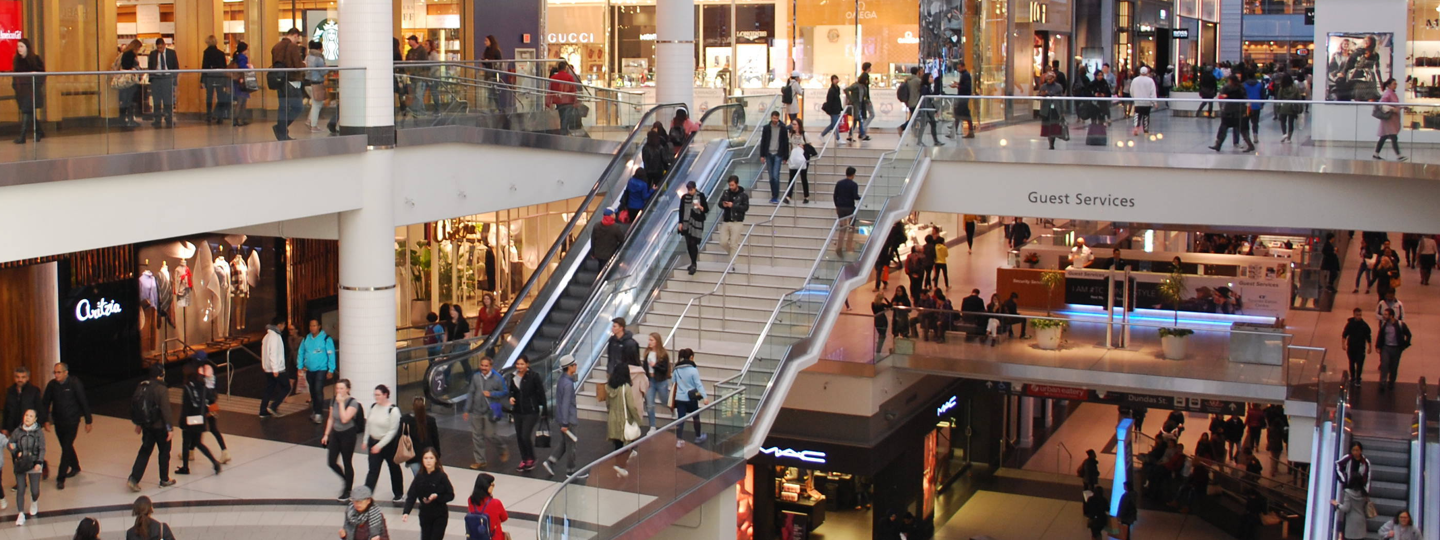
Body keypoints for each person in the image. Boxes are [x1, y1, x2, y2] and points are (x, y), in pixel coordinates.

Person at [42, 363, 90, 490]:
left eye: (59, 372)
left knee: (66, 448)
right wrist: (45, 420)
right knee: (65, 446)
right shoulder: (52, 385)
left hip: (72, 421)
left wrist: (88, 420)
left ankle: (60, 478)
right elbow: (46, 402)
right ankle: (75, 466)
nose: (56, 375)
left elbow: (83, 401)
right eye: (55, 372)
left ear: (66, 372)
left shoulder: (74, 383)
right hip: (58, 421)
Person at [127, 365, 175, 492]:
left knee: (144, 451)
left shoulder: (142, 386)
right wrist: (170, 428)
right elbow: (166, 410)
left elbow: (138, 406)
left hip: (146, 426)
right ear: (161, 374)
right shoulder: (161, 388)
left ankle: (134, 478)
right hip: (160, 427)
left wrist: (138, 423)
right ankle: (164, 479)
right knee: (164, 452)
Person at [174, 365, 221, 478]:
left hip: (189, 418)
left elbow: (186, 406)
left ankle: (185, 467)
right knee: (198, 442)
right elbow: (211, 398)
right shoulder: (202, 385)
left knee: (186, 442)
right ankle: (214, 461)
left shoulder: (187, 387)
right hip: (200, 418)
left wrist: (182, 422)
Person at [464, 357, 508, 470]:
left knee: (490, 435)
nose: (483, 368)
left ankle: (502, 448)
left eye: (486, 366)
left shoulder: (498, 378)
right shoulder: (475, 377)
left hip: (490, 411)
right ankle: (480, 461)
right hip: (476, 411)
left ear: (491, 366)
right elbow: (471, 393)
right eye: (482, 365)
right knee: (477, 436)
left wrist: (492, 394)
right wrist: (466, 410)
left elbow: (504, 392)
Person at [363, 385, 404, 503]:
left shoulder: (393, 410)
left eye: (378, 395)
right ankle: (366, 495)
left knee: (393, 467)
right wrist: (366, 440)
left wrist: (380, 445)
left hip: (388, 445)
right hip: (373, 442)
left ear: (385, 395)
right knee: (373, 470)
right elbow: (368, 425)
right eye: (375, 395)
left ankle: (398, 493)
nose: (376, 397)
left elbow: (392, 431)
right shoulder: (373, 407)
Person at [322, 379, 362, 500]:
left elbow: (345, 419)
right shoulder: (333, 400)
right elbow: (331, 418)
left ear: (348, 389)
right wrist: (326, 434)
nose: (339, 391)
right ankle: (346, 479)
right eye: (337, 388)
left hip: (348, 434)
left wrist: (341, 404)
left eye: (341, 388)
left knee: (347, 461)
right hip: (336, 433)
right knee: (331, 461)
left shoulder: (353, 403)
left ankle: (348, 489)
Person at [402, 448, 454, 540]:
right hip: (425, 514)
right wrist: (406, 511)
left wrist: (437, 496)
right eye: (425, 458)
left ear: (436, 460)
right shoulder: (419, 476)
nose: (428, 461)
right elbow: (412, 495)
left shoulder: (441, 476)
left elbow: (450, 494)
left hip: (439, 515)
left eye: (431, 458)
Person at [604, 350, 642, 477]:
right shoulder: (626, 387)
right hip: (623, 420)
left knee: (618, 444)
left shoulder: (609, 386)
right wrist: (638, 419)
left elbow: (608, 403)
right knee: (626, 443)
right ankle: (620, 466)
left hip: (612, 418)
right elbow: (631, 406)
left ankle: (619, 468)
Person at [544, 355, 580, 477]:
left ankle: (551, 461)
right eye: (574, 365)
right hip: (568, 419)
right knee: (571, 446)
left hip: (562, 417)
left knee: (565, 443)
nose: (576, 366)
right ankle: (571, 471)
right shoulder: (568, 384)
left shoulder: (562, 380)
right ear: (569, 367)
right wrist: (565, 423)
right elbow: (566, 404)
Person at [506, 356, 544, 472]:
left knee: (525, 435)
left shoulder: (534, 376)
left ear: (527, 364)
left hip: (531, 411)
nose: (519, 366)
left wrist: (544, 410)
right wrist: (511, 397)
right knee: (519, 437)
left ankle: (531, 457)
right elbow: (511, 391)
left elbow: (541, 393)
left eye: (522, 364)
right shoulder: (513, 376)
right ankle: (524, 458)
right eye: (517, 364)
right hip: (518, 411)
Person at [296, 319, 337, 423]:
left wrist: (331, 369)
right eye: (311, 326)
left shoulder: (326, 339)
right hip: (310, 370)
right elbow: (301, 352)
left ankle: (319, 413)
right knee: (313, 391)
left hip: (321, 369)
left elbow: (331, 354)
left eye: (314, 325)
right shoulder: (306, 339)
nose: (312, 328)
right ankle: (315, 410)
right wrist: (300, 366)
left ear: (319, 326)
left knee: (318, 389)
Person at [272, 28, 306, 140]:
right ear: (295, 35)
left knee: (283, 107)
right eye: (298, 38)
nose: (297, 41)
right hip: (291, 80)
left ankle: (282, 134)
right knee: (298, 107)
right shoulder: (293, 47)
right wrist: (304, 65)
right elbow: (297, 65)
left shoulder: (276, 47)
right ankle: (280, 128)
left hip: (279, 80)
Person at [9, 409, 41, 523]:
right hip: (21, 463)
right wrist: (16, 451)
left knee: (35, 490)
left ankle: (34, 501)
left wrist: (39, 462)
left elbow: (42, 448)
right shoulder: (17, 431)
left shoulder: (38, 432)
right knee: (21, 489)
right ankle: (21, 513)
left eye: (31, 416)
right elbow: (10, 443)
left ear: (35, 419)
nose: (27, 418)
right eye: (26, 415)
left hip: (34, 463)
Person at [672, 348, 708, 447]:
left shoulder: (677, 369)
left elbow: (673, 380)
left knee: (680, 419)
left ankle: (679, 440)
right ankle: (698, 436)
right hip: (691, 398)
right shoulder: (693, 370)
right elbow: (698, 384)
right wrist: (704, 397)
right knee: (696, 417)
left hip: (680, 398)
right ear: (691, 357)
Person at [11, 38, 45, 144]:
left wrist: (35, 83)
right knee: (29, 111)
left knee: (27, 111)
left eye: (21, 46)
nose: (19, 49)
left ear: (27, 48)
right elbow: (15, 76)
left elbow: (41, 74)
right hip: (22, 91)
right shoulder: (17, 60)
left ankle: (22, 136)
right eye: (18, 47)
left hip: (31, 91)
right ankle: (39, 131)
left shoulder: (35, 59)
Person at [1210, 74, 1255, 152]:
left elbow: (1242, 98)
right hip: (1234, 111)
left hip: (1234, 111)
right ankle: (1218, 145)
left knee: (1235, 129)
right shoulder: (1238, 88)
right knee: (1225, 128)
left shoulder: (1235, 88)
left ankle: (1250, 145)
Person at [400, 397, 441, 476]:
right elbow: (435, 439)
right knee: (428, 477)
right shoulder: (431, 420)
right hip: (428, 454)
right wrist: (437, 454)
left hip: (412, 456)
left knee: (418, 478)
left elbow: (400, 437)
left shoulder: (405, 420)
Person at [259, 317, 289, 418]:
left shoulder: (267, 336)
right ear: (279, 325)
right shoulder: (275, 337)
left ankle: (263, 410)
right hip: (276, 368)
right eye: (284, 325)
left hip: (267, 368)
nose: (284, 327)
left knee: (269, 388)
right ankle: (274, 406)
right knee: (286, 387)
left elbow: (265, 353)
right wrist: (275, 369)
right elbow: (273, 353)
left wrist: (265, 366)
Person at [145, 38, 179, 128]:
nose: (160, 50)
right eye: (158, 48)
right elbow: (150, 66)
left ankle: (169, 118)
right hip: (156, 78)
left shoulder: (171, 53)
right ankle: (157, 119)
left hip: (167, 77)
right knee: (156, 99)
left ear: (164, 45)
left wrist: (174, 78)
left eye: (161, 47)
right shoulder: (153, 54)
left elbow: (176, 66)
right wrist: (151, 78)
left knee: (167, 99)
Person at [643, 333, 672, 433]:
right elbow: (645, 367)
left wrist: (654, 365)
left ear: (657, 342)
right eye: (649, 340)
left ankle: (673, 407)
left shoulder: (663, 354)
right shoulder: (647, 353)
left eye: (652, 340)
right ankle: (652, 426)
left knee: (664, 400)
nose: (649, 342)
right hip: (650, 380)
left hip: (660, 381)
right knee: (650, 404)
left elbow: (664, 369)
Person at [679, 180, 710, 275]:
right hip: (686, 223)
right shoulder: (684, 197)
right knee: (689, 243)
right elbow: (681, 210)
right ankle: (693, 262)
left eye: (691, 190)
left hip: (697, 222)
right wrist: (680, 223)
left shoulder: (700, 196)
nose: (690, 192)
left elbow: (706, 209)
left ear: (695, 188)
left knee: (693, 242)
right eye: (688, 190)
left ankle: (693, 263)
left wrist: (700, 207)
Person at [759, 111, 790, 204]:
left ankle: (775, 196)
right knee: (771, 177)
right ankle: (773, 194)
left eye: (777, 118)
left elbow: (785, 143)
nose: (775, 120)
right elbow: (763, 142)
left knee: (776, 176)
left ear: (778, 118)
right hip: (768, 154)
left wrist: (785, 157)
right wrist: (762, 155)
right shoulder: (766, 128)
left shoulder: (783, 128)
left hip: (778, 154)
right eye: (774, 118)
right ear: (771, 118)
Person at [1377, 308, 1411, 392]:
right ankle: (1382, 382)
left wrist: (1405, 345)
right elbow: (1380, 335)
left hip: (1396, 348)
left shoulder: (1400, 324)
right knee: (1384, 364)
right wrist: (1378, 346)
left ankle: (1391, 382)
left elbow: (1408, 334)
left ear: (1391, 316)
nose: (1384, 316)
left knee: (1394, 366)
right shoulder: (1384, 325)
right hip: (1386, 347)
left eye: (1386, 314)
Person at [466, 474, 508, 540]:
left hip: (476, 536)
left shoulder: (470, 500)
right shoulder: (496, 503)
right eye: (492, 485)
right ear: (487, 487)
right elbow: (504, 518)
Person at [718, 175, 749, 259]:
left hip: (737, 221)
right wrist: (723, 204)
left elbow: (745, 208)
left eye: (732, 185)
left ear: (737, 184)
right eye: (730, 185)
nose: (731, 187)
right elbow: (719, 203)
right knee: (722, 242)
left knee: (733, 243)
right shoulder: (726, 193)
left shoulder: (743, 195)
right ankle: (732, 255)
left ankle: (732, 264)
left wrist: (733, 206)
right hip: (726, 220)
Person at [1373, 78, 1405, 161]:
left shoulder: (1391, 94)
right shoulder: (1388, 94)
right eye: (1394, 84)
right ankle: (1399, 155)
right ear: (1389, 85)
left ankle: (1376, 154)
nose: (1396, 85)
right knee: (1393, 137)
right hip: (1389, 120)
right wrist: (1393, 109)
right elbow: (1382, 104)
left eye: (1396, 83)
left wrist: (1401, 107)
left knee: (1384, 137)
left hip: (1391, 120)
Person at [200, 36, 229, 125]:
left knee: (209, 96)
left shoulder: (206, 52)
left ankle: (209, 115)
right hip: (220, 76)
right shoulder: (221, 53)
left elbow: (204, 66)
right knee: (220, 96)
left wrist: (202, 80)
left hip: (210, 76)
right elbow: (224, 67)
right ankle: (220, 116)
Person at [833, 166, 861, 257]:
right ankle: (849, 246)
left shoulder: (839, 183)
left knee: (842, 227)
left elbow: (835, 195)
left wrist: (837, 205)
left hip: (840, 207)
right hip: (849, 207)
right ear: (853, 175)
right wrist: (861, 198)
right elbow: (855, 196)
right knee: (851, 226)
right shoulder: (854, 185)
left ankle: (839, 247)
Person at [305, 40, 332, 132]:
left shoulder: (308, 57)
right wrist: (327, 69)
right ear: (319, 49)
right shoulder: (319, 59)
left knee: (315, 103)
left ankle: (309, 121)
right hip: (316, 83)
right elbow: (322, 72)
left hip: (307, 83)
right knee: (317, 104)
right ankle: (313, 125)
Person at [1342, 308, 1372, 386]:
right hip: (1351, 347)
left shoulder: (1364, 325)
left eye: (1360, 315)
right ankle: (1352, 377)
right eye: (1357, 315)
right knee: (1351, 363)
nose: (1359, 316)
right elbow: (1345, 334)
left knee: (1360, 363)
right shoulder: (1350, 324)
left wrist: (1370, 347)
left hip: (1361, 347)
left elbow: (1368, 336)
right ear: (1354, 315)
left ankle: (1358, 378)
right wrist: (1343, 344)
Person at [549, 60, 581, 133]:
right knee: (566, 117)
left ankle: (564, 131)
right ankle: (564, 131)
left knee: (562, 116)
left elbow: (551, 90)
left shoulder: (554, 78)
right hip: (568, 101)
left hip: (558, 100)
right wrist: (575, 100)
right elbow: (573, 89)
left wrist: (549, 101)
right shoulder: (569, 77)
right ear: (565, 68)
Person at [912, 72, 944, 146]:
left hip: (928, 110)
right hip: (926, 110)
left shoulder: (928, 88)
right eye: (931, 77)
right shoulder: (925, 88)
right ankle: (923, 141)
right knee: (925, 125)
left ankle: (933, 141)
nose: (932, 78)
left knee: (930, 125)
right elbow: (926, 99)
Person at [786, 124, 814, 204]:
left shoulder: (804, 135)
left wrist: (804, 147)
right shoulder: (791, 134)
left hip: (803, 158)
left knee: (803, 177)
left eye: (794, 124)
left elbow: (810, 145)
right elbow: (791, 145)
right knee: (791, 177)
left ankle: (806, 196)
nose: (793, 126)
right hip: (794, 157)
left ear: (799, 125)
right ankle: (788, 196)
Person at [1037, 72, 1066, 149]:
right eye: (1048, 79)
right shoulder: (1043, 87)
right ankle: (1050, 142)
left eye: (1051, 78)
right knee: (1048, 127)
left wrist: (1062, 111)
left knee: (1054, 127)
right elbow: (1038, 97)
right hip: (1046, 110)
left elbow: (1061, 100)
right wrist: (1042, 94)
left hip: (1055, 109)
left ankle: (1052, 142)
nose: (1049, 80)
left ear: (1054, 78)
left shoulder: (1058, 87)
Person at [228, 42, 253, 126]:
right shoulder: (242, 57)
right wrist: (249, 67)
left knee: (241, 100)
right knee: (241, 101)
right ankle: (239, 119)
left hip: (237, 81)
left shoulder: (236, 57)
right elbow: (242, 67)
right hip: (241, 80)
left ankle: (239, 119)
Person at [949, 61, 975, 138]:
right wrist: (958, 84)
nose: (958, 69)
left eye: (959, 68)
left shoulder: (966, 75)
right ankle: (968, 131)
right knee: (963, 114)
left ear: (963, 67)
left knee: (958, 114)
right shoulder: (964, 75)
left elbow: (966, 87)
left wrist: (957, 86)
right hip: (963, 97)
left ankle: (953, 132)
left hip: (964, 98)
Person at [1274, 74, 1302, 143]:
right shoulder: (1295, 88)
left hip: (1283, 106)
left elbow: (1279, 98)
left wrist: (1277, 108)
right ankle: (1289, 138)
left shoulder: (1282, 88)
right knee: (1291, 123)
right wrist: (1300, 108)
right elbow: (1299, 98)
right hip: (1292, 107)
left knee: (1283, 121)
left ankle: (1284, 134)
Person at [1131, 67, 1157, 136]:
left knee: (1137, 115)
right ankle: (1146, 130)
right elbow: (1153, 92)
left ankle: (1136, 128)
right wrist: (1155, 102)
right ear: (1147, 72)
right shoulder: (1150, 81)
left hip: (1138, 102)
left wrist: (1134, 98)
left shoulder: (1135, 80)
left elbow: (1131, 91)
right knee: (1146, 116)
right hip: (1147, 103)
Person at [1242, 70, 1267, 142]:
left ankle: (1246, 137)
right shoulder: (1259, 85)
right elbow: (1263, 95)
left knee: (1245, 122)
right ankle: (1255, 136)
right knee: (1255, 122)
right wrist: (1262, 104)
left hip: (1246, 106)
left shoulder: (1244, 85)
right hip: (1256, 105)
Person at [820, 74, 844, 141]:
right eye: (834, 79)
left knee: (833, 125)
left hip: (837, 109)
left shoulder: (837, 89)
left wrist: (840, 108)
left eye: (837, 79)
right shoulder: (831, 90)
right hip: (833, 110)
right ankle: (838, 138)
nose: (836, 80)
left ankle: (822, 134)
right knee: (835, 125)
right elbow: (829, 100)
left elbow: (838, 100)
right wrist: (829, 110)